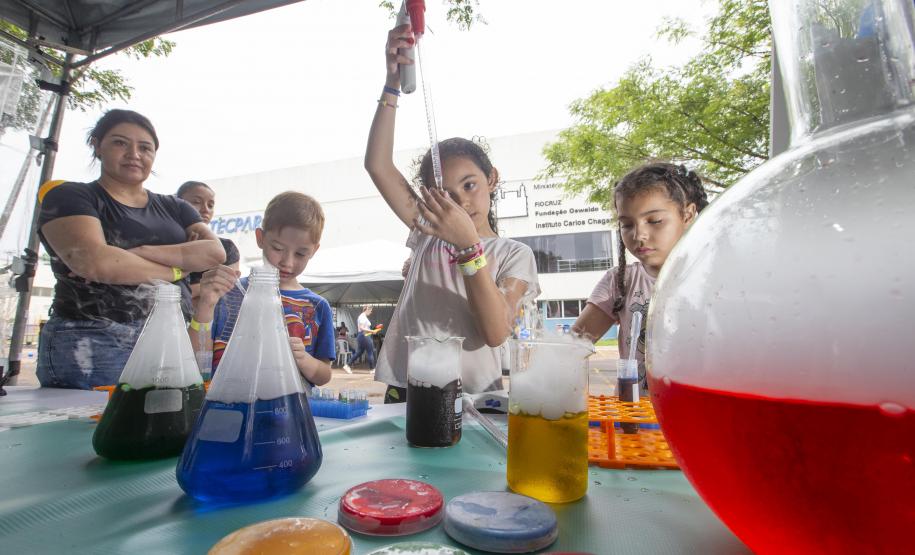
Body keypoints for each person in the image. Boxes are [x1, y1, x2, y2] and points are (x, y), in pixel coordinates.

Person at [366, 23, 540, 403]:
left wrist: (469, 249)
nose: (459, 200)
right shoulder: (428, 227)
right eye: (443, 192)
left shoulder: (515, 255)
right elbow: (378, 164)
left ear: (492, 178)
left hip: (475, 397)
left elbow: (496, 331)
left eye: (469, 184)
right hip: (407, 387)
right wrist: (392, 82)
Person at [35, 109, 226, 389]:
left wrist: (136, 253)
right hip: (94, 338)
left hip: (169, 338)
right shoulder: (70, 196)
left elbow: (214, 253)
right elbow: (95, 262)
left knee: (165, 427)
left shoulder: (175, 207)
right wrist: (176, 269)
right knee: (92, 429)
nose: (134, 153)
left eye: (145, 147)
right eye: (120, 142)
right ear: (97, 146)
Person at [573, 162, 709, 388]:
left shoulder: (714, 280)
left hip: (694, 415)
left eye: (654, 221)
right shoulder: (621, 281)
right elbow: (572, 347)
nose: (639, 235)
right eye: (626, 225)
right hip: (634, 418)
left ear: (687, 215)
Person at [191, 191, 333, 387]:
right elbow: (195, 359)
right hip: (226, 409)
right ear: (261, 238)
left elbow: (324, 374)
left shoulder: (317, 306)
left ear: (314, 251)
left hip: (287, 412)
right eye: (277, 248)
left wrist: (304, 359)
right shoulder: (227, 293)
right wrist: (205, 305)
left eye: (300, 253)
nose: (287, 262)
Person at [176, 181, 241, 308]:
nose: (205, 209)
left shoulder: (226, 247)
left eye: (210, 205)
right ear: (177, 204)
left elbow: (227, 289)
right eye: (196, 202)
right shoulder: (166, 244)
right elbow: (161, 292)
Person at [347, 305, 379, 372]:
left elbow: (365, 328)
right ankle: (372, 369)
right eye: (370, 311)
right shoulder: (362, 317)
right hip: (364, 335)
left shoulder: (363, 317)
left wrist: (371, 331)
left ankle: (348, 365)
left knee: (359, 352)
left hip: (364, 335)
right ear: (367, 309)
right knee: (371, 351)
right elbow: (362, 328)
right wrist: (372, 331)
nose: (371, 312)